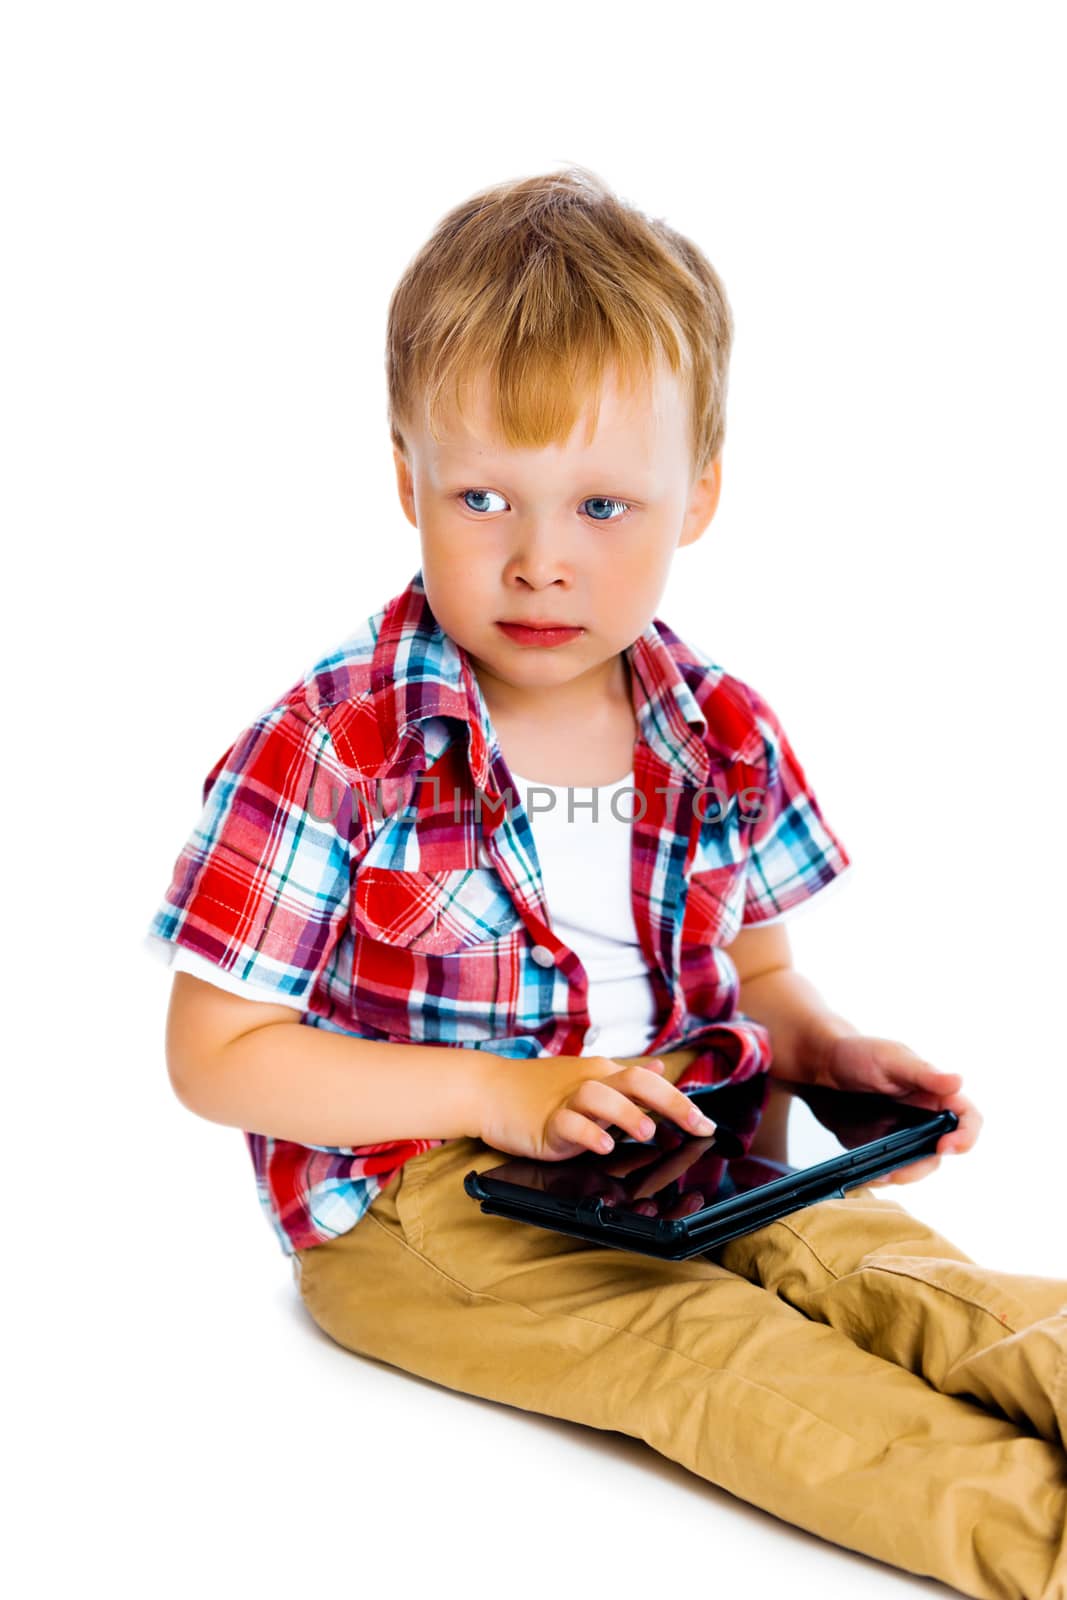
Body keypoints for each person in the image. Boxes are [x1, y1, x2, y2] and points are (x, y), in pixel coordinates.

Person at [144, 166, 1066, 1598]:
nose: (539, 560)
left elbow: (753, 966)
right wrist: (500, 1095)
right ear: (405, 479)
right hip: (429, 1201)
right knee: (713, 1360)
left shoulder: (719, 722)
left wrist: (821, 1049)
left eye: (602, 506)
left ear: (697, 496)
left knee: (901, 1281)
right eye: (482, 496)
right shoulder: (333, 744)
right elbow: (217, 1057)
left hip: (683, 1151)